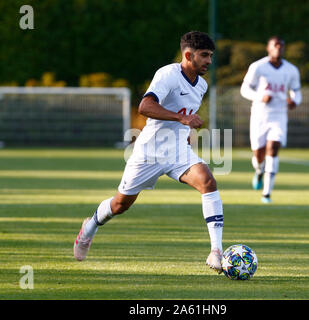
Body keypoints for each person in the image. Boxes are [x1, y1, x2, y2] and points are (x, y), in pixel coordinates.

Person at [73, 31, 224, 273]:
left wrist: (184, 130)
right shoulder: (167, 75)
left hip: (177, 151)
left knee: (207, 180)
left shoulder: (202, 84)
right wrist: (181, 118)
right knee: (120, 205)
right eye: (204, 55)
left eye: (211, 56)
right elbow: (145, 106)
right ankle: (89, 228)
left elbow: (182, 117)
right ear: (188, 55)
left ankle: (216, 251)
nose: (209, 60)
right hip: (149, 151)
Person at [240, 36, 302, 203]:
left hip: (279, 115)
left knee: (273, 149)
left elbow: (296, 91)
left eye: (281, 46)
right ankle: (259, 171)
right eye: (275, 45)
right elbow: (244, 89)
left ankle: (266, 193)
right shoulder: (258, 66)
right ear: (268, 48)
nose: (279, 48)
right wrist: (260, 96)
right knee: (259, 154)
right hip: (260, 115)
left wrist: (294, 101)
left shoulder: (291, 70)